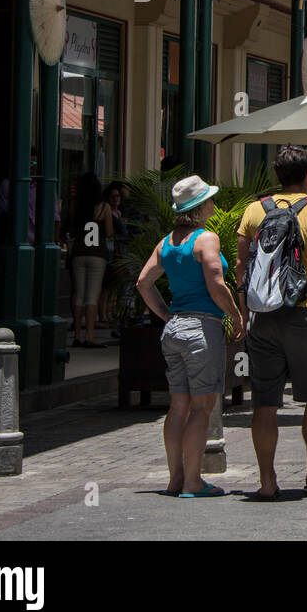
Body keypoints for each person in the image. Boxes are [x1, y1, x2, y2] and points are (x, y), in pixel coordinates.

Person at [236, 145, 307, 499]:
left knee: (264, 401)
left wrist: (244, 309)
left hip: (262, 316)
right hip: (306, 310)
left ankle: (267, 480)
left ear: (277, 175)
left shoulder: (254, 210)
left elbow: (241, 265)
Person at [135, 175, 243, 498]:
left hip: (174, 329)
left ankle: (175, 479)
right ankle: (193, 482)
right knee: (202, 407)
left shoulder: (167, 242)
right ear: (200, 207)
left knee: (177, 406)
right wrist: (236, 315)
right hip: (202, 329)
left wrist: (167, 314)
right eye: (210, 200)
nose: (214, 204)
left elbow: (143, 283)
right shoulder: (206, 239)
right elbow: (216, 283)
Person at [69, 172, 113, 348]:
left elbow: (71, 228)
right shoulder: (104, 207)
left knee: (78, 295)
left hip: (79, 252)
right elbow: (109, 232)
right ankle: (89, 335)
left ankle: (77, 334)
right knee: (92, 296)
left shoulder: (77, 206)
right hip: (97, 253)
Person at [98, 183, 129, 328]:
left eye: (118, 196)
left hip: (121, 251)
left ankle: (111, 314)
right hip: (111, 251)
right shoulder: (108, 213)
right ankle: (104, 315)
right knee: (107, 285)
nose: (116, 199)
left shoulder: (119, 214)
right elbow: (110, 233)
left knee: (115, 286)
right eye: (113, 196)